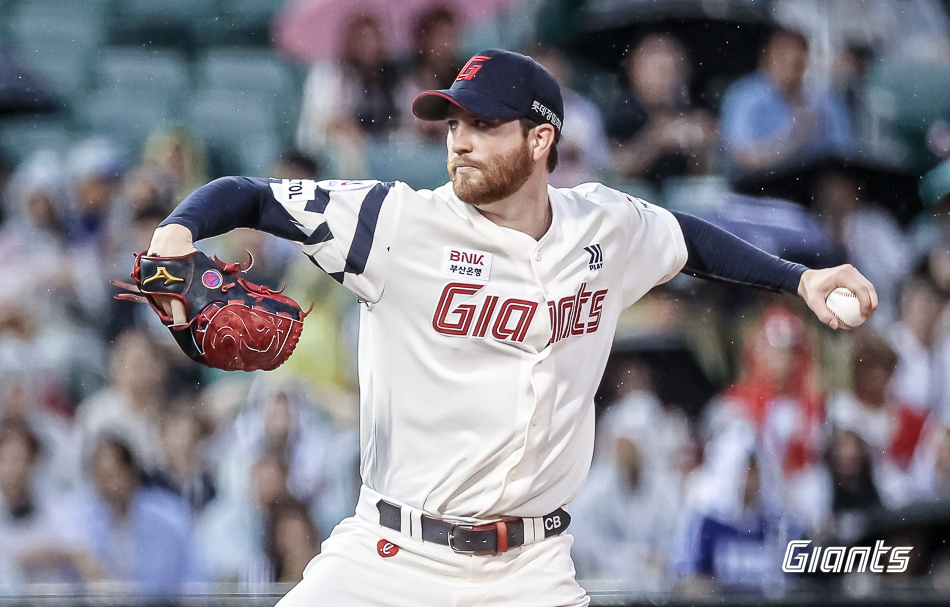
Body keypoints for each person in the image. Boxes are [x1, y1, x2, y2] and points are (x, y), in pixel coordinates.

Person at [145, 49, 877, 606]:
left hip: (532, 571)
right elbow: (250, 195)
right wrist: (177, 232)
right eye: (454, 122)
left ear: (539, 139)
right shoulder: (398, 222)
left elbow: (689, 238)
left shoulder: (605, 224)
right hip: (392, 555)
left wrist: (801, 279)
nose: (458, 139)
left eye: (484, 124)